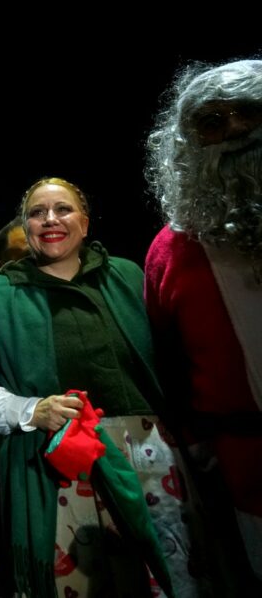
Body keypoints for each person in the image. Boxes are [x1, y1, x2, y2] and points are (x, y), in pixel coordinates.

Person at [0, 177, 198, 597]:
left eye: (63, 209)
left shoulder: (127, 276)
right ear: (26, 226)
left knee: (168, 580)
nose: (50, 219)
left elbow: (174, 363)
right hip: (56, 462)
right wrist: (31, 410)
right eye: (37, 213)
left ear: (85, 222)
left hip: (148, 458)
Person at [144, 58, 262, 588]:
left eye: (250, 112)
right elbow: (168, 359)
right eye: (212, 121)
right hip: (245, 471)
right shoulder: (172, 250)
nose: (235, 130)